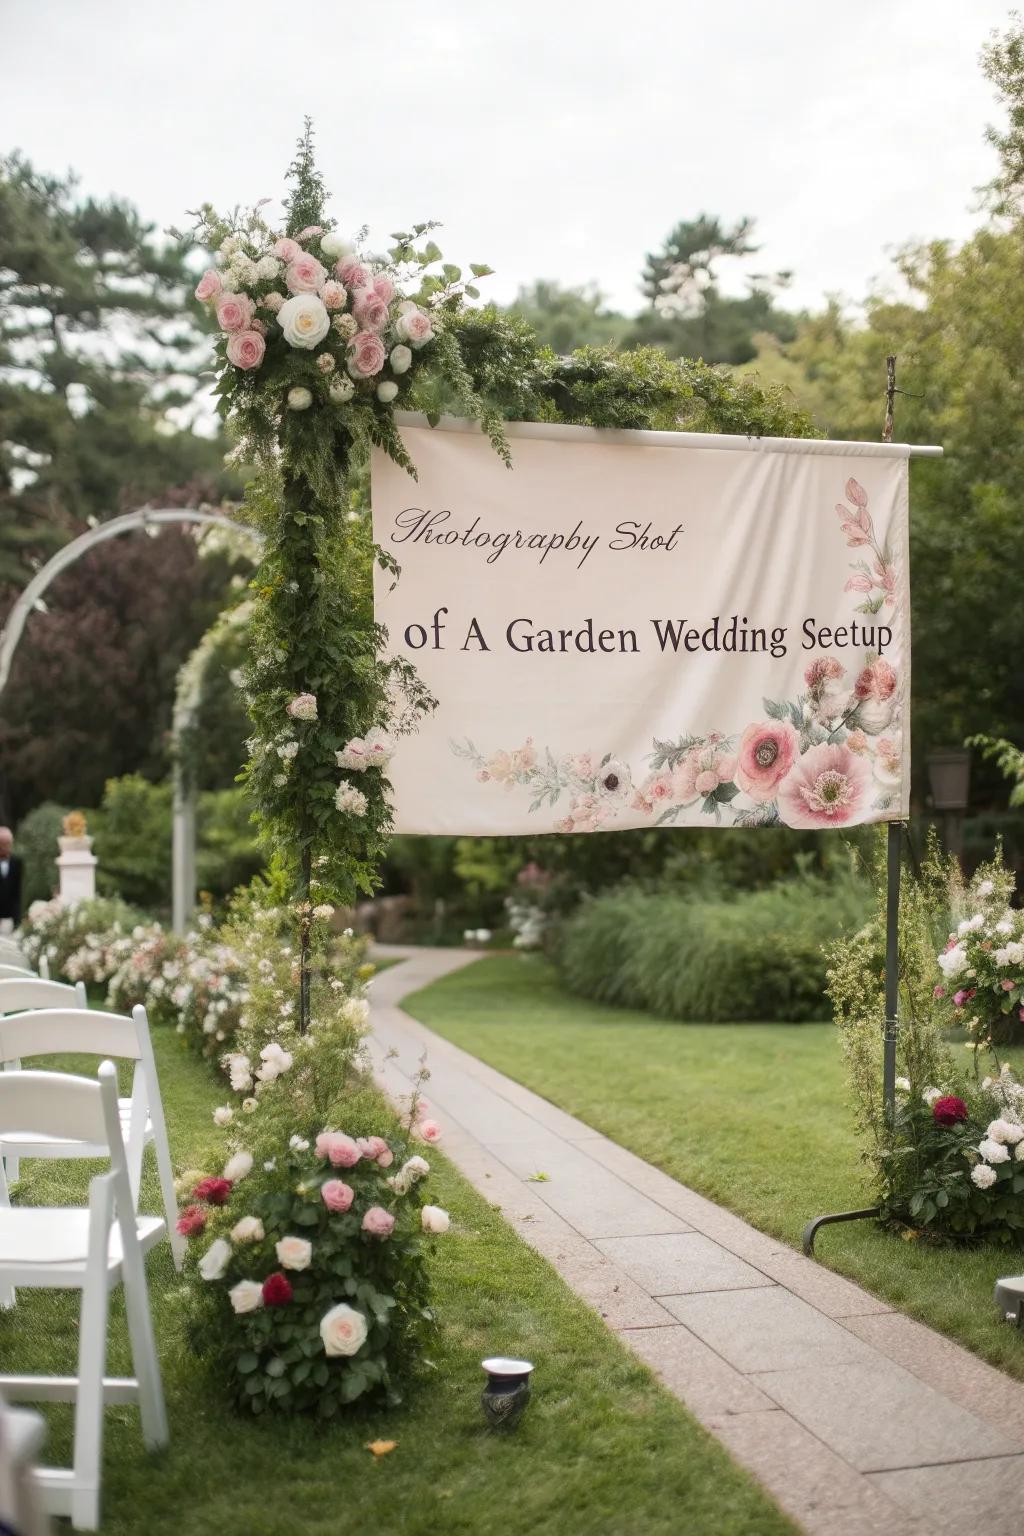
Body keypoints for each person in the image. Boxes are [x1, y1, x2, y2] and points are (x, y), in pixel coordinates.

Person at [0, 827, 23, 932]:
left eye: (7, 844)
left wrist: (17, 919)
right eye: (1, 844)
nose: (4, 847)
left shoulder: (16, 862)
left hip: (10, 917)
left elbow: (17, 892)